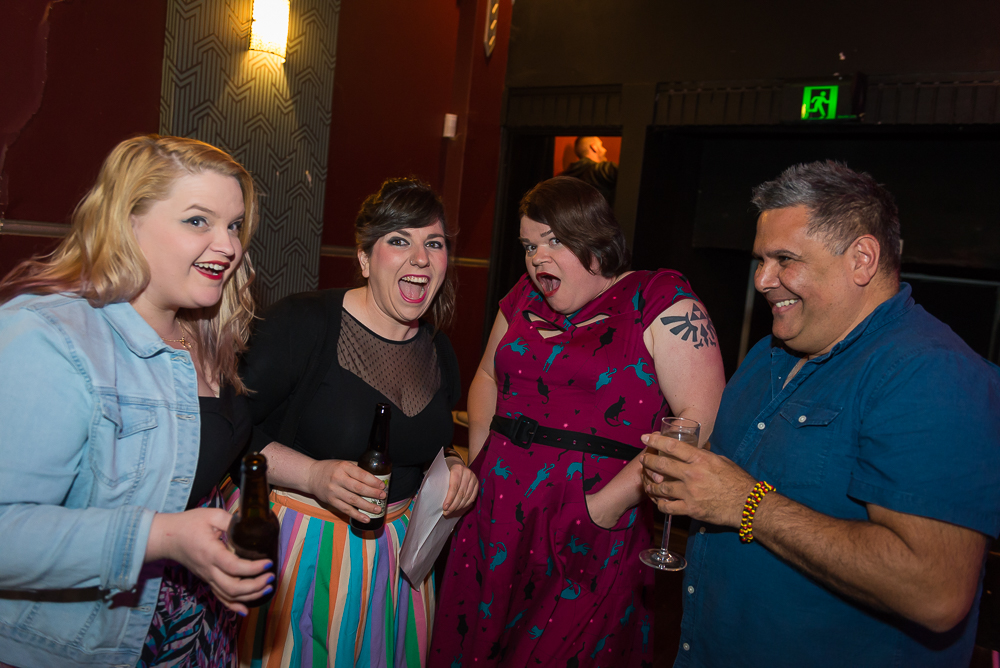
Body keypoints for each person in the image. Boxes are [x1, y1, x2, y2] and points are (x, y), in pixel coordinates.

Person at [642, 161, 1000, 667]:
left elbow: (934, 591)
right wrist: (689, 479)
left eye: (785, 259)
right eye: (760, 260)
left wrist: (746, 503)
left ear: (862, 259)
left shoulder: (932, 374)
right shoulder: (769, 353)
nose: (762, 280)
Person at [429, 176, 726, 667]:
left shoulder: (656, 298)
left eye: (553, 240)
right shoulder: (524, 296)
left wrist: (606, 506)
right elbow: (486, 375)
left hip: (590, 518)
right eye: (529, 245)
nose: (536, 258)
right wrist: (483, 459)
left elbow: (702, 418)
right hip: (495, 511)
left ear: (594, 238)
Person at [0, 135, 272, 668]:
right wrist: (162, 536)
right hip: (85, 644)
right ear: (127, 223)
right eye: (198, 220)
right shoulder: (51, 337)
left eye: (234, 225)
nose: (228, 246)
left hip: (192, 629)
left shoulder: (206, 329)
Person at [237, 177, 478, 667]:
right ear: (365, 258)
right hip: (304, 555)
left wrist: (452, 466)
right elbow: (229, 431)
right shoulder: (302, 323)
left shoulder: (439, 350)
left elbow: (427, 445)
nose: (421, 257)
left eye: (434, 243)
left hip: (399, 564)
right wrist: (312, 474)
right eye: (400, 240)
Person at [560, 136, 618, 207]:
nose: (605, 150)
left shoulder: (562, 178)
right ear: (594, 147)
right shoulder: (604, 169)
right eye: (601, 145)